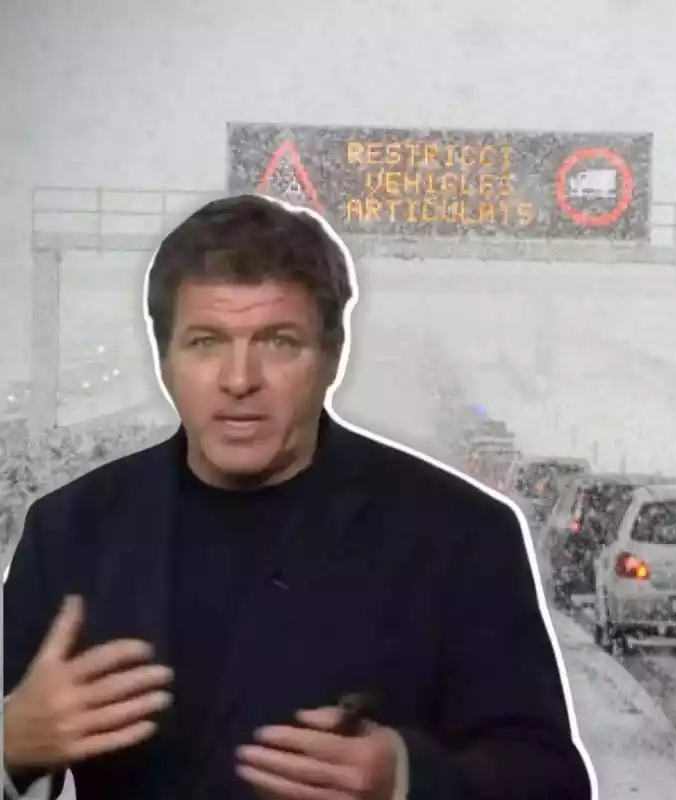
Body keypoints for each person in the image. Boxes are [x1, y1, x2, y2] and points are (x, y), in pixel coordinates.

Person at [2, 194, 596, 800]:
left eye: (279, 342)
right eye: (206, 342)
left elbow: (552, 782)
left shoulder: (463, 536)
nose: (239, 380)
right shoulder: (70, 531)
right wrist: (10, 745)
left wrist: (408, 781)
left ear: (332, 356)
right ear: (164, 358)